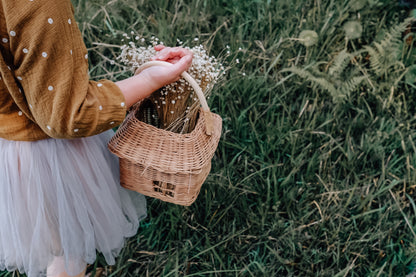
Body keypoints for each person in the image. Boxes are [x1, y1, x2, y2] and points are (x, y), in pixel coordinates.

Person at [0, 0, 193, 276]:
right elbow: (67, 115)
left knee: (51, 242)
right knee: (68, 254)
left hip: (7, 151)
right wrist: (150, 79)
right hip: (49, 161)